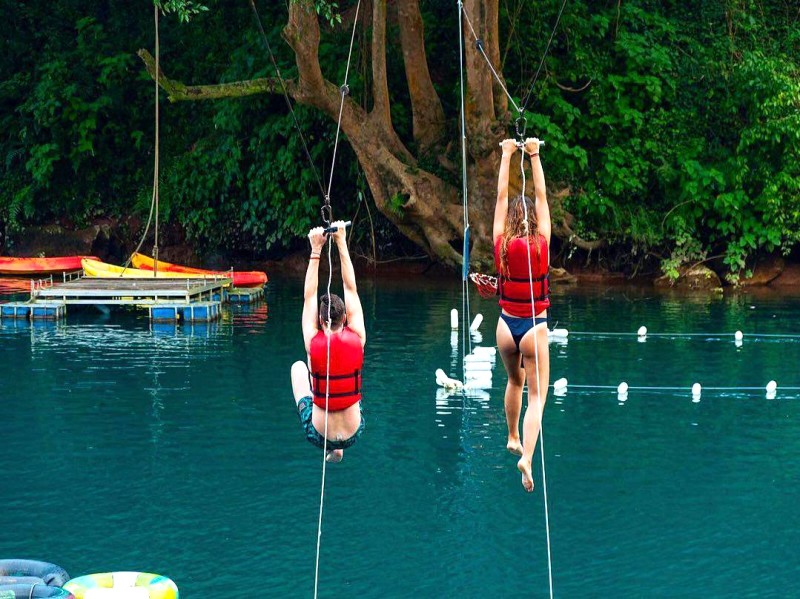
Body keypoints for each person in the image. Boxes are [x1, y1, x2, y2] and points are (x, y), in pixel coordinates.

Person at [494, 137, 551, 492]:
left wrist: (506, 154)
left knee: (515, 381)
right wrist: (533, 154)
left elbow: (502, 198)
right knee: (537, 396)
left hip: (504, 327)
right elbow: (542, 198)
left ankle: (512, 435)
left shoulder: (501, 243)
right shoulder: (542, 243)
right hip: (534, 328)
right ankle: (526, 456)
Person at [290, 220, 366, 463]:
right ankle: (340, 448)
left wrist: (315, 249)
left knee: (299, 368)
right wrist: (341, 241)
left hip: (319, 434)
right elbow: (350, 288)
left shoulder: (312, 341)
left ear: (320, 321)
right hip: (354, 433)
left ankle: (334, 448)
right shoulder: (358, 337)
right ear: (345, 318)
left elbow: (309, 295)